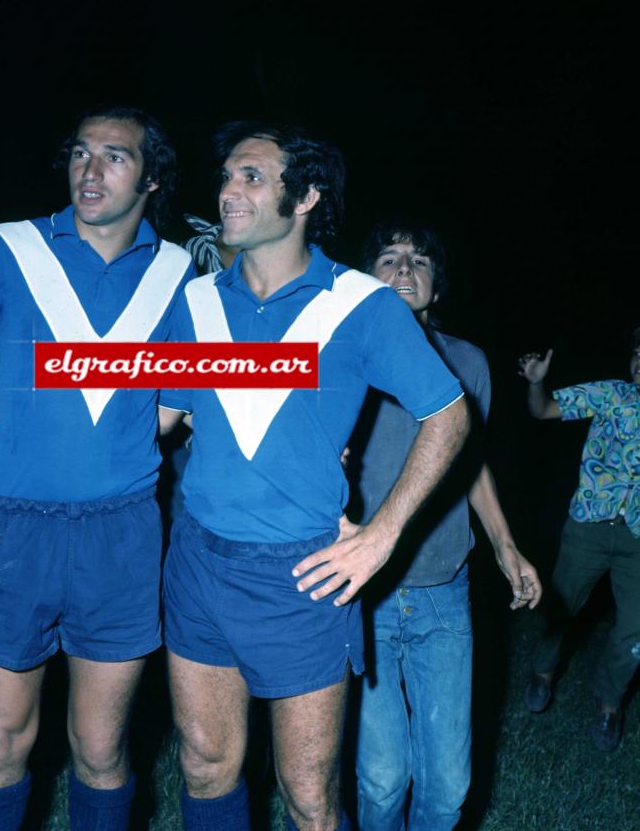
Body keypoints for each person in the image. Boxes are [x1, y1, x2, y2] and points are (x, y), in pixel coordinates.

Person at [0, 105, 195, 830]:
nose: (90, 170)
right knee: (0, 739)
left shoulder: (180, 273)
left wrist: (78, 433)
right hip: (10, 527)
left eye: (114, 157)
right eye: (80, 153)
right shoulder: (8, 248)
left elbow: (167, 411)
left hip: (119, 533)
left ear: (151, 178)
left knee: (99, 745)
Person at [158, 123, 470, 831]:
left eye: (253, 178)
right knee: (205, 766)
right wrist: (24, 416)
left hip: (299, 575)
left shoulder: (361, 305)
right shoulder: (198, 302)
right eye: (227, 176)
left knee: (307, 796)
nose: (229, 192)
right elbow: (158, 418)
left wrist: (381, 536)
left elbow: (448, 417)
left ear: (304, 197)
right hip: (197, 560)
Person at [353, 224, 542, 831]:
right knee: (382, 780)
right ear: (367, 278)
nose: (405, 267)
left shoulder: (468, 362)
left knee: (448, 787)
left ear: (436, 286)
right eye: (389, 257)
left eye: (420, 260)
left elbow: (472, 462)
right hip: (366, 594)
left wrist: (506, 548)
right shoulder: (342, 356)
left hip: (444, 595)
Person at [519, 332, 640, 751]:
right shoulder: (610, 394)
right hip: (589, 526)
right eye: (638, 354)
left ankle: (610, 704)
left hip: (638, 539)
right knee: (563, 607)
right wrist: (536, 382)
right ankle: (542, 673)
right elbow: (544, 410)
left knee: (635, 629)